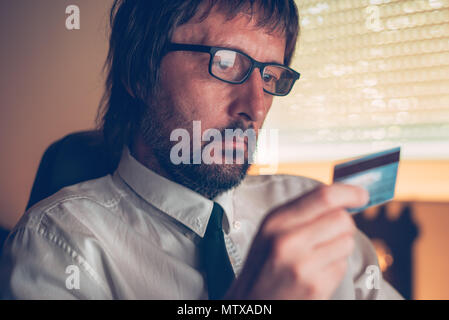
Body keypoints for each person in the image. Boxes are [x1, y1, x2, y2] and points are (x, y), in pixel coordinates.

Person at [0, 0, 402, 299]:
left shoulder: (309, 211)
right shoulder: (57, 246)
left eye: (270, 75)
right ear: (139, 74)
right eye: (226, 63)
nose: (255, 107)